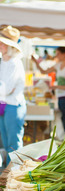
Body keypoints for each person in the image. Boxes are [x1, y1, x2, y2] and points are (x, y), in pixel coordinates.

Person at [0, 25, 26, 164]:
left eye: (3, 43)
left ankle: (14, 172)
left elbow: (7, 88)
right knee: (5, 141)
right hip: (4, 105)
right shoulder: (3, 61)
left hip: (13, 106)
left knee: (13, 143)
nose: (0, 45)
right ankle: (7, 173)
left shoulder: (15, 63)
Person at [32, 46, 65, 132]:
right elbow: (43, 71)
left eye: (58, 54)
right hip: (60, 96)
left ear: (64, 54)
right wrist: (36, 62)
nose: (56, 56)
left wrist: (55, 87)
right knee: (63, 118)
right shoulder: (58, 65)